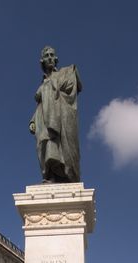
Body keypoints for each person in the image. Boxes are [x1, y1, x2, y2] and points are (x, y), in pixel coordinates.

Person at [29, 46, 82, 184]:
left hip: (60, 115)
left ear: (56, 59)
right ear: (42, 61)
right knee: (45, 143)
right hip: (44, 119)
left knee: (60, 145)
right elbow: (40, 106)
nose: (50, 57)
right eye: (47, 56)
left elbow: (75, 84)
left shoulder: (63, 73)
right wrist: (33, 120)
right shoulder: (44, 82)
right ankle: (51, 175)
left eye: (52, 55)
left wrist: (52, 86)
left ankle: (63, 175)